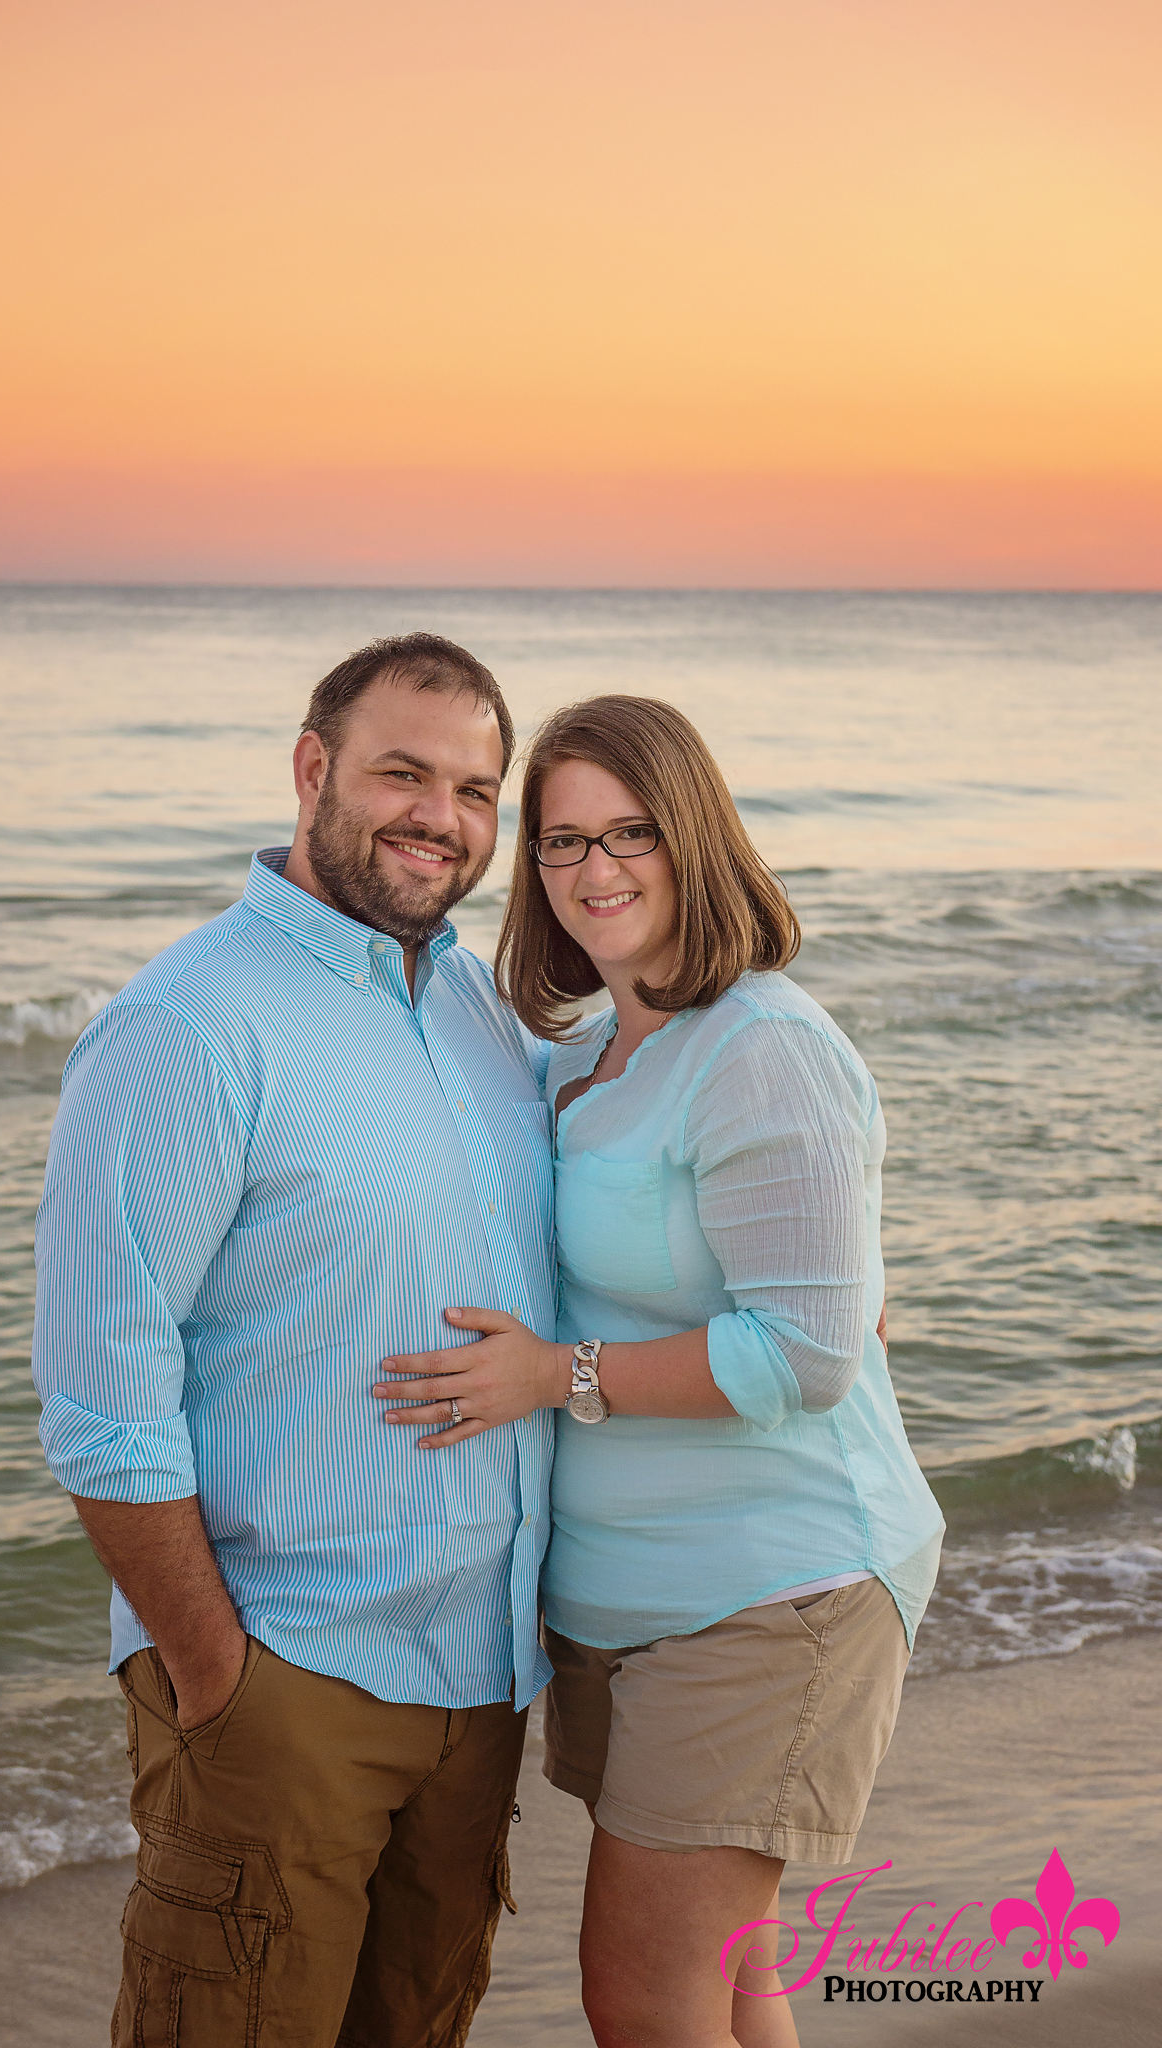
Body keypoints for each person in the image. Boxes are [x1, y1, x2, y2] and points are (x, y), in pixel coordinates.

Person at [375, 694, 945, 2048]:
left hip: (769, 1589)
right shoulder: (588, 1055)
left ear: (696, 839)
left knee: (644, 1998)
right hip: (631, 1597)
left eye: (632, 832)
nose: (596, 870)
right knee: (729, 1985)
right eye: (561, 841)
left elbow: (803, 1357)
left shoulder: (765, 1045)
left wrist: (554, 1379)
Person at [32, 634, 558, 2048]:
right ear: (313, 770)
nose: (438, 818)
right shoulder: (188, 1027)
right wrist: (220, 1680)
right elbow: (103, 1400)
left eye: (474, 788)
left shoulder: (475, 1007)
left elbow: (638, 1170)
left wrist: (807, 1270)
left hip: (481, 1683)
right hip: (289, 1684)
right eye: (402, 772)